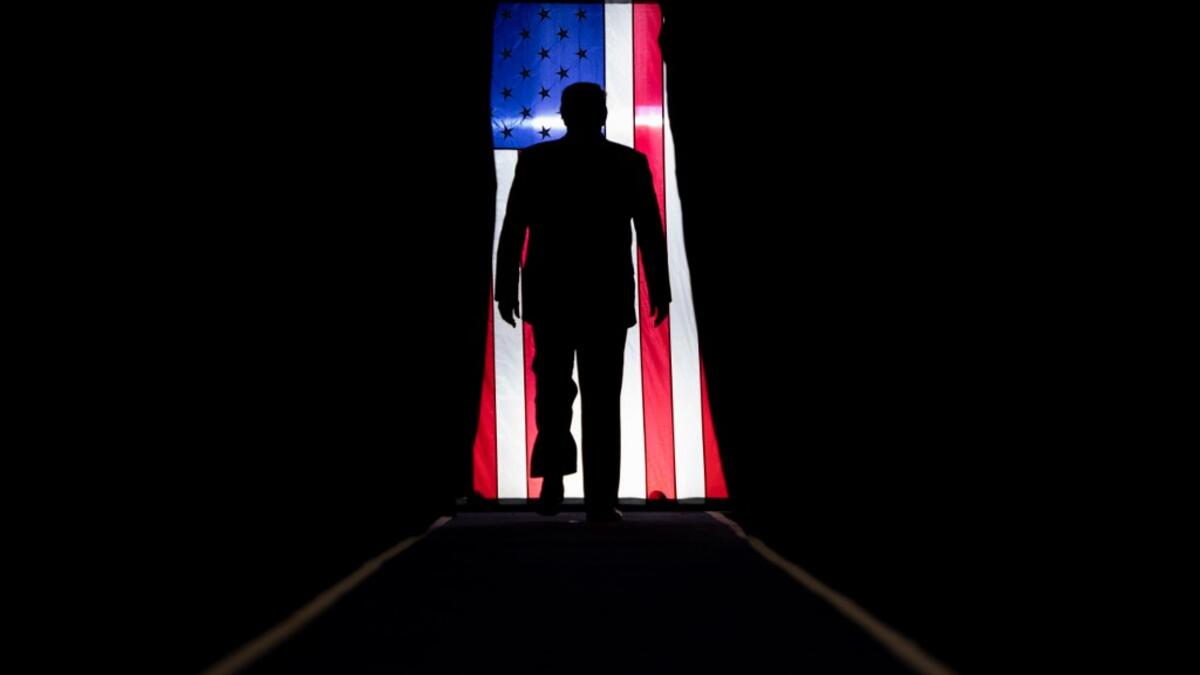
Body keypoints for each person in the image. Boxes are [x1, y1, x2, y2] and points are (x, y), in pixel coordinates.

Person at [495, 82, 671, 523]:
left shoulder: (537, 162)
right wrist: (660, 288)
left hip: (551, 295)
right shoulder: (627, 163)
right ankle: (599, 500)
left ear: (565, 115)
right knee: (601, 400)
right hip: (605, 297)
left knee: (553, 394)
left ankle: (553, 477)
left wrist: (505, 287)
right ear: (604, 113)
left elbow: (514, 228)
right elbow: (649, 232)